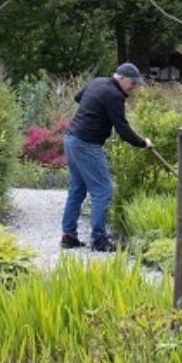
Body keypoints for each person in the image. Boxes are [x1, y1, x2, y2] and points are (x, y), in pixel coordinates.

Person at [61, 62, 153, 252]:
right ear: (122, 78)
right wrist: (143, 143)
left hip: (71, 139)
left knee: (77, 189)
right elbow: (123, 129)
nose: (133, 87)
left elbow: (78, 97)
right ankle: (99, 240)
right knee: (103, 190)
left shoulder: (98, 82)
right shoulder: (115, 95)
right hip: (86, 143)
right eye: (132, 83)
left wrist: (95, 108)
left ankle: (68, 236)